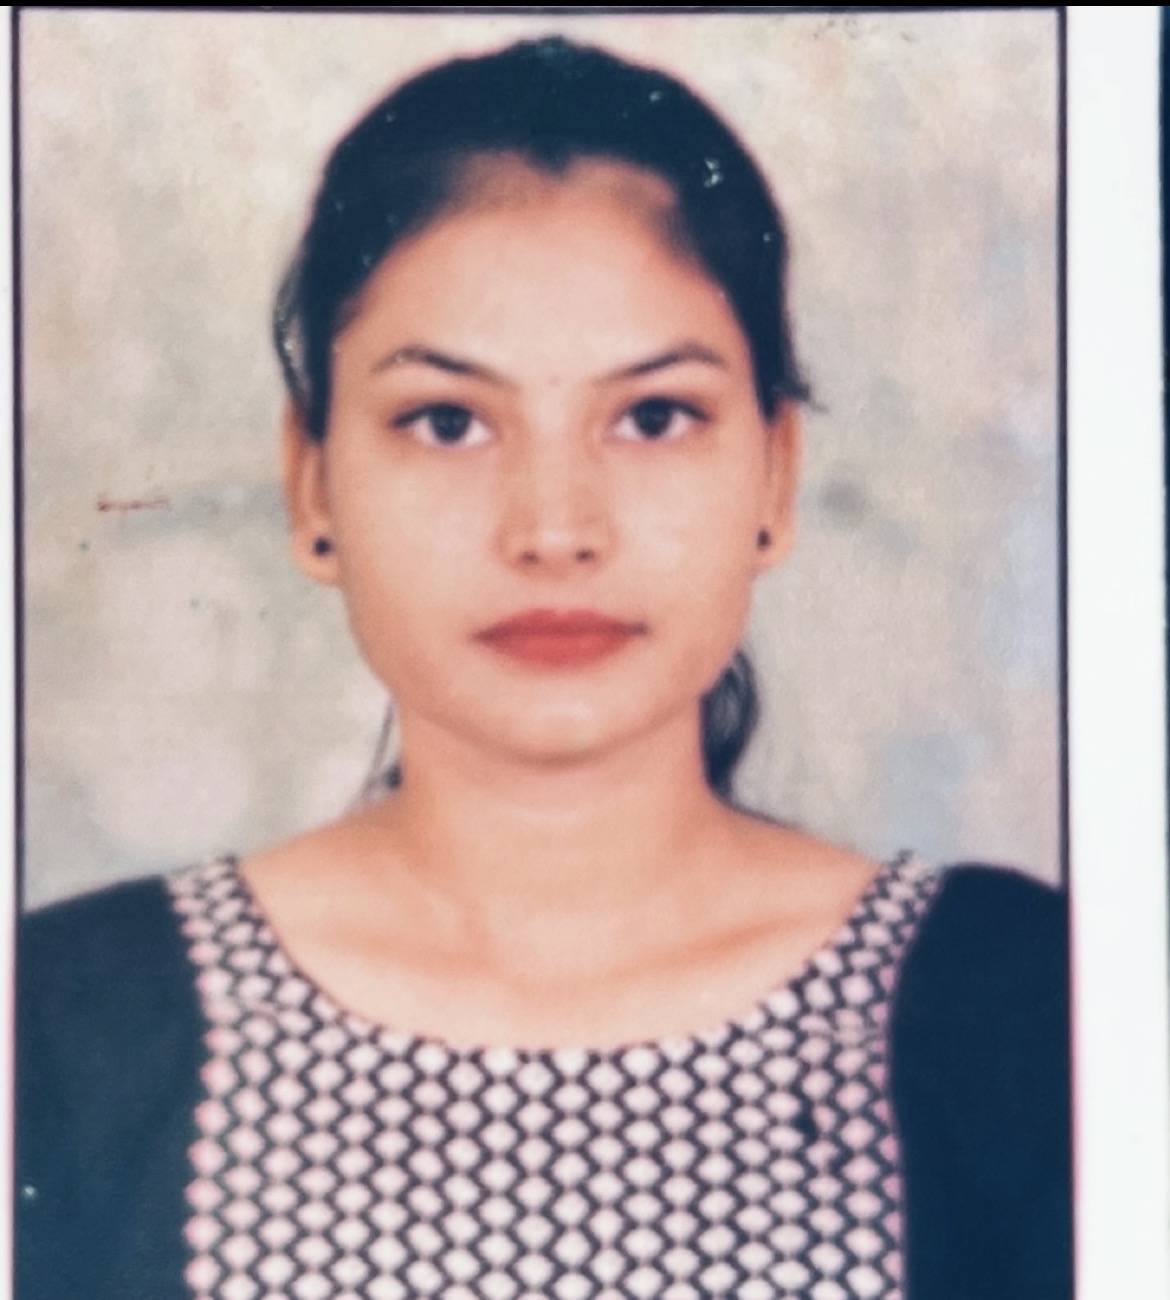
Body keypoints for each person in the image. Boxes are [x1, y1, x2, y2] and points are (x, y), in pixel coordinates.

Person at [16, 36, 1070, 1300]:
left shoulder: (1027, 1005)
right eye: (448, 421)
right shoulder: (62, 1026)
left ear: (775, 476)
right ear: (313, 484)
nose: (556, 528)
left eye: (654, 416)